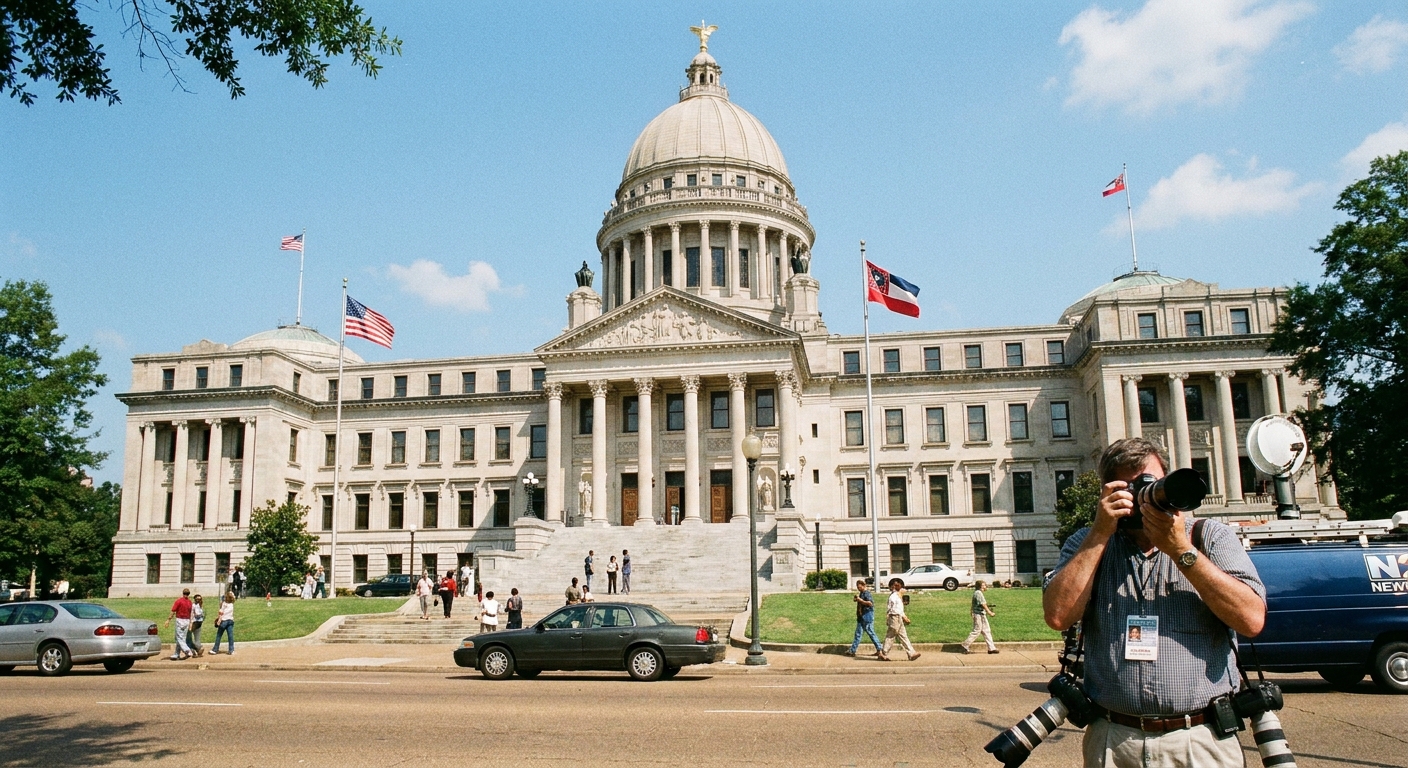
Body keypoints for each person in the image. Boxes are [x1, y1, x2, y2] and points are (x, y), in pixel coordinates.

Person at [1043, 438, 1266, 768]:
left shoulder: (1210, 537)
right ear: (1109, 490)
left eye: (1152, 482)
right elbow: (1058, 616)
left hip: (1200, 738)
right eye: (1132, 487)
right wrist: (1100, 532)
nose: (1146, 495)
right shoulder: (1086, 543)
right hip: (1115, 738)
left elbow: (1251, 620)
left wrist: (1179, 550)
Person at [844, 578, 887, 659]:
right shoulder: (862, 593)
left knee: (870, 632)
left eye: (860, 587)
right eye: (858, 587)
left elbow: (870, 603)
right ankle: (852, 650)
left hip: (867, 616)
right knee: (859, 634)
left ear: (864, 586)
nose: (859, 588)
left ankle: (879, 649)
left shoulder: (867, 593)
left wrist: (860, 600)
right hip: (861, 616)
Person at [882, 578, 921, 661]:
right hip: (894, 617)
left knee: (903, 635)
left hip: (898, 617)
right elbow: (893, 609)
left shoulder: (898, 596)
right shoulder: (893, 596)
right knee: (891, 635)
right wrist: (902, 617)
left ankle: (911, 653)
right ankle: (883, 653)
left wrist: (904, 616)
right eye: (897, 585)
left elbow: (900, 609)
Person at [961, 581, 998, 654]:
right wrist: (990, 612)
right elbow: (983, 604)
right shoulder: (978, 593)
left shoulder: (977, 593)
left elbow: (975, 604)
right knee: (977, 630)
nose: (985, 586)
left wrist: (971, 611)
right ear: (980, 586)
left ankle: (991, 648)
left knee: (986, 631)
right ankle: (965, 645)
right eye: (983, 585)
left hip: (980, 614)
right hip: (979, 615)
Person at [164, 588, 194, 660]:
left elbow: (173, 611)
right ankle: (176, 654)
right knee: (182, 638)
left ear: (183, 593)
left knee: (178, 638)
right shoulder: (190, 602)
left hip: (180, 620)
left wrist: (168, 620)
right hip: (187, 620)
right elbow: (191, 613)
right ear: (189, 594)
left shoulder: (179, 601)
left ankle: (187, 650)